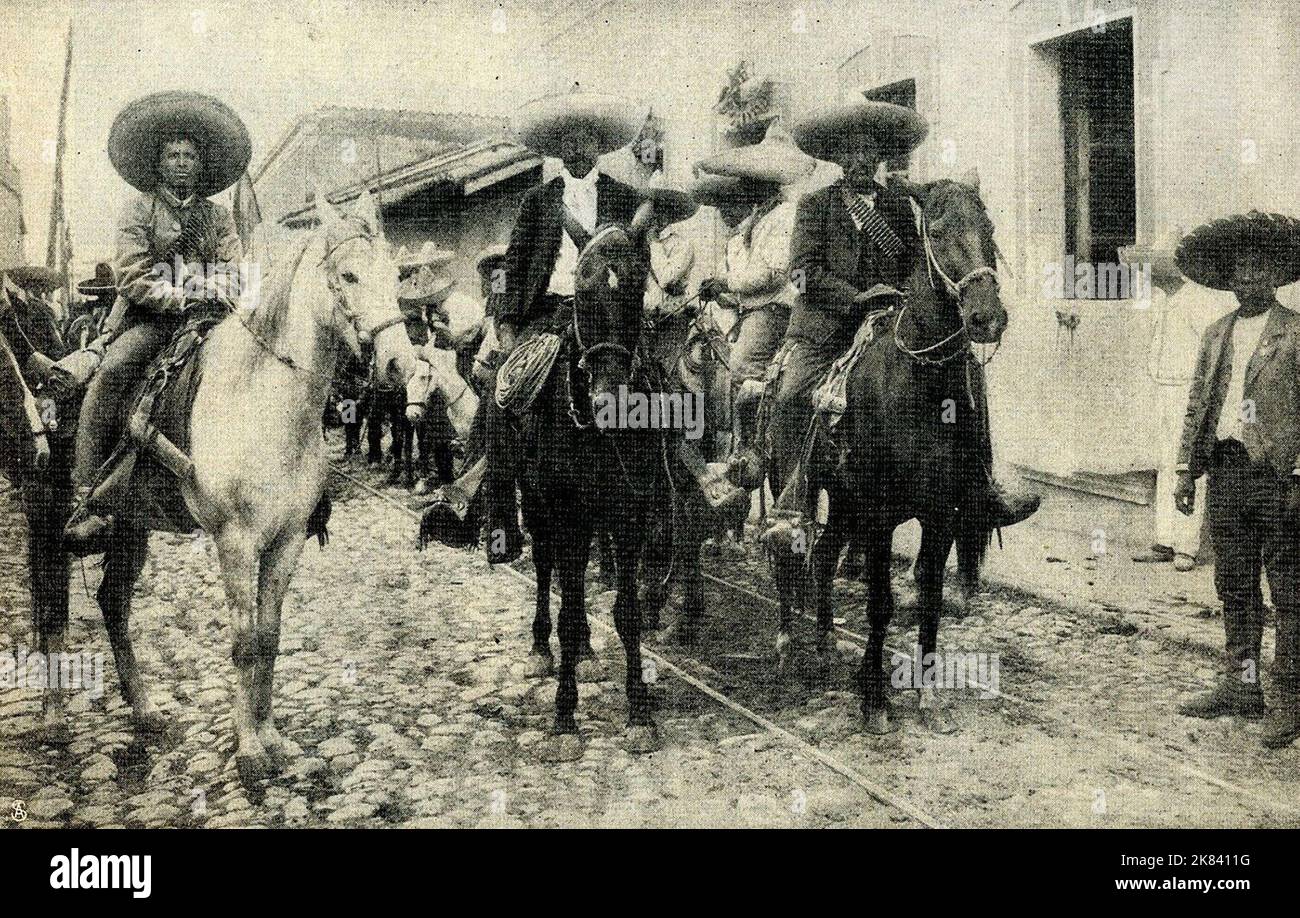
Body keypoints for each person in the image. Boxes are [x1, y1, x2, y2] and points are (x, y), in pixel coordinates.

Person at [764, 99, 1038, 534]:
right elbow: (799, 275)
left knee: (965, 383)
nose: (861, 161)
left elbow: (920, 262)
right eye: (851, 152)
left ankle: (980, 484)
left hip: (889, 323)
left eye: (870, 153)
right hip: (826, 328)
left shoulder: (895, 206)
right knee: (794, 392)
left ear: (880, 158)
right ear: (836, 157)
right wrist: (856, 297)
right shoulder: (815, 206)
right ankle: (794, 500)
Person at [64, 91, 249, 551]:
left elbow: (234, 269)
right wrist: (180, 296)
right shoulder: (139, 209)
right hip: (150, 320)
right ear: (160, 163)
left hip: (209, 321)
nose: (183, 163)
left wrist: (214, 293)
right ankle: (87, 496)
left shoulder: (218, 216)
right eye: (174, 155)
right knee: (112, 373)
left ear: (202, 164)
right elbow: (131, 272)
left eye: (191, 155)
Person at [468, 89, 646, 563]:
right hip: (547, 314)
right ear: (559, 146)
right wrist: (506, 321)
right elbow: (510, 266)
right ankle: (499, 521)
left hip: (607, 316)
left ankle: (661, 503)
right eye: (568, 138)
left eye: (586, 137)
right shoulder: (538, 202)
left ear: (599, 144)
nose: (577, 145)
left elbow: (638, 265)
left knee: (655, 395)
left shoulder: (625, 199)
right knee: (500, 393)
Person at [1172, 211, 1300, 749]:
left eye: (1261, 268)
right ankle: (1241, 687)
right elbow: (1200, 401)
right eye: (1240, 269)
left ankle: (1290, 701)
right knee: (1235, 583)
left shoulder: (1294, 332)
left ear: (1276, 276)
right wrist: (1186, 468)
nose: (1250, 278)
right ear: (1228, 278)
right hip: (1225, 470)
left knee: (1289, 590)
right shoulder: (1216, 332)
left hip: (1276, 476)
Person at [694, 124, 813, 483]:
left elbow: (773, 273)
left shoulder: (784, 216)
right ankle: (744, 445)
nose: (747, 187)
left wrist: (727, 282)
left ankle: (751, 451)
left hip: (775, 312)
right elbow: (747, 283)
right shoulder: (758, 219)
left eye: (752, 181)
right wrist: (722, 292)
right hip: (752, 310)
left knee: (742, 367)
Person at [1132, 240, 1232, 570]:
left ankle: (1186, 546)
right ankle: (1164, 540)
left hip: (1188, 394)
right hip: (1162, 390)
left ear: (1173, 267)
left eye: (1155, 264)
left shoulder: (1197, 300)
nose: (1149, 272)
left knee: (1187, 465)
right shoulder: (1163, 300)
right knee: (1163, 464)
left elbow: (1215, 352)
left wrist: (1205, 397)